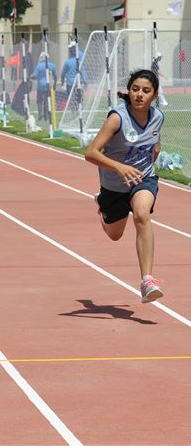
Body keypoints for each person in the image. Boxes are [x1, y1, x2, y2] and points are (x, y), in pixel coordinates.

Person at [85, 69, 165, 304]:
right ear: (128, 91)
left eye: (146, 91)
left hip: (144, 179)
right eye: (135, 89)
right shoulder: (117, 118)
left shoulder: (158, 116)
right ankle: (102, 204)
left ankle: (147, 281)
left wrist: (151, 160)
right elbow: (90, 153)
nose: (140, 94)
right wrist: (120, 168)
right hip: (114, 185)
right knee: (114, 235)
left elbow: (155, 142)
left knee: (142, 215)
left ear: (155, 95)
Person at [31, 52, 57, 122]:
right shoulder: (52, 65)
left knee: (39, 100)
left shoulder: (39, 66)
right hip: (49, 86)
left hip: (41, 86)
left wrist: (32, 76)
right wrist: (55, 85)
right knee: (47, 100)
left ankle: (40, 114)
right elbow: (55, 76)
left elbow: (35, 76)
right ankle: (47, 115)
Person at [61, 42, 85, 112]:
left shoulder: (71, 60)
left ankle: (76, 109)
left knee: (74, 97)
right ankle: (78, 108)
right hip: (77, 81)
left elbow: (63, 73)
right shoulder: (71, 60)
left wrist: (62, 81)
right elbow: (82, 70)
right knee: (77, 96)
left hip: (73, 82)